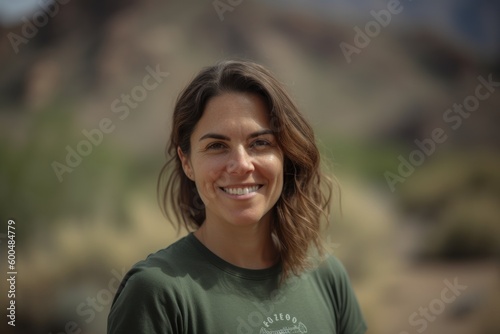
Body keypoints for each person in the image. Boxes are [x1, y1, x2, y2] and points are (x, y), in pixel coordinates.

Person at [107, 60, 367, 334]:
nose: (241, 164)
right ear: (187, 162)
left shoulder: (326, 275)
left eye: (260, 143)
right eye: (217, 146)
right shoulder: (156, 293)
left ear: (285, 156)